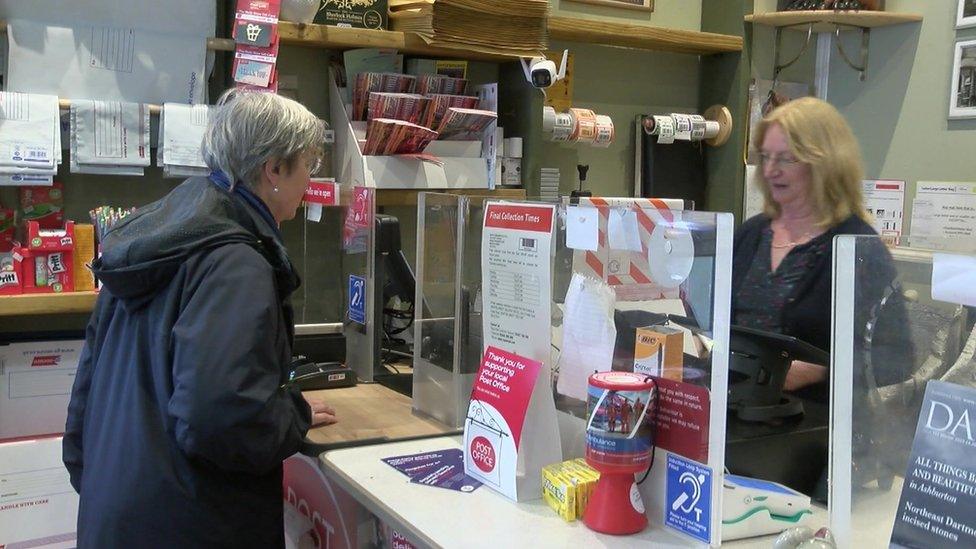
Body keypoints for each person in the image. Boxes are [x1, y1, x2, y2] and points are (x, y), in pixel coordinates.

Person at [63, 90, 337, 548]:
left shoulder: (148, 241)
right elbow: (221, 421)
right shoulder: (236, 262)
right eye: (307, 165)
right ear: (273, 169)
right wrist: (292, 415)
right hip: (191, 524)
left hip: (117, 515)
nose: (310, 182)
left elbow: (84, 399)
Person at [732, 96, 905, 397]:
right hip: (737, 411)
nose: (771, 170)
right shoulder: (751, 234)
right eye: (766, 156)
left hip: (813, 427)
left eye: (786, 158)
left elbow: (897, 359)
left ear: (825, 164)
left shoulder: (858, 247)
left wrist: (822, 370)